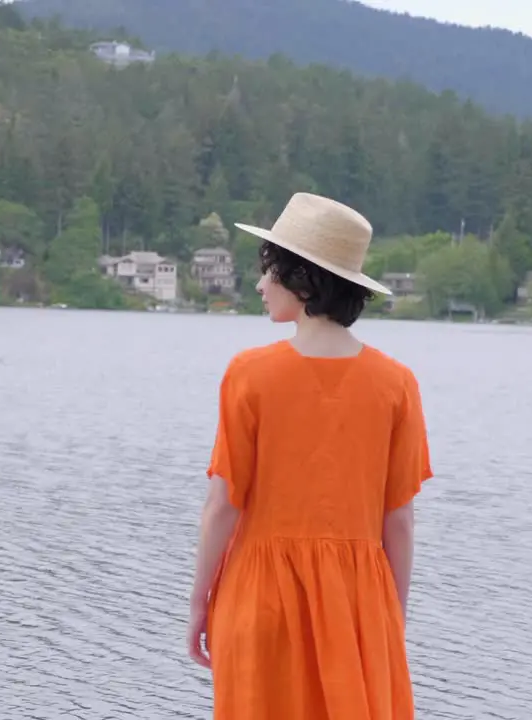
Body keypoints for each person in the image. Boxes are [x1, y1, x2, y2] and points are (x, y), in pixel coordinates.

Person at [186, 192, 434, 719]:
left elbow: (222, 506)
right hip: (358, 604)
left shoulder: (249, 375)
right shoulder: (397, 385)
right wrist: (393, 616)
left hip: (258, 597)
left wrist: (198, 602)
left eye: (269, 270)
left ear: (303, 281)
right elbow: (401, 521)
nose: (259, 284)